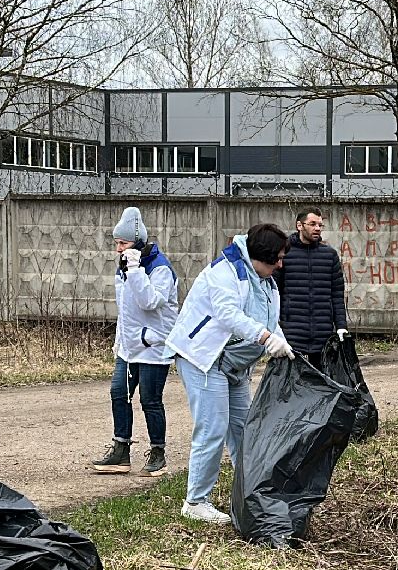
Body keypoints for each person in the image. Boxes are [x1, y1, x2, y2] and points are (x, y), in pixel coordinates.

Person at [166, 223, 294, 525]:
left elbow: (268, 317)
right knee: (213, 428)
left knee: (244, 429)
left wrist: (280, 338)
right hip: (204, 360)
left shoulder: (265, 281)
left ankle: (249, 490)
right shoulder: (226, 273)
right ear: (257, 256)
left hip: (234, 365)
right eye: (275, 259)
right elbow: (229, 315)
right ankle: (196, 501)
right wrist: (265, 338)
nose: (279, 264)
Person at [92, 206, 179, 477]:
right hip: (129, 347)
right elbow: (126, 310)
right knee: (119, 394)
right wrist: (119, 341)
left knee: (151, 400)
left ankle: (158, 453)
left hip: (154, 347)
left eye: (123, 243)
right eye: (117, 243)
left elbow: (150, 302)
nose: (118, 248)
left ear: (138, 243)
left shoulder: (159, 268)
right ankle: (121, 451)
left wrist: (135, 270)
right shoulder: (124, 267)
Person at [274, 207, 348, 359]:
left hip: (323, 332)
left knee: (321, 380)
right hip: (292, 331)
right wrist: (275, 325)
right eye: (312, 224)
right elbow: (274, 292)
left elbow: (337, 294)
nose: (317, 228)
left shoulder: (329, 255)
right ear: (299, 225)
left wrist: (341, 326)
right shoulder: (284, 254)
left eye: (320, 225)